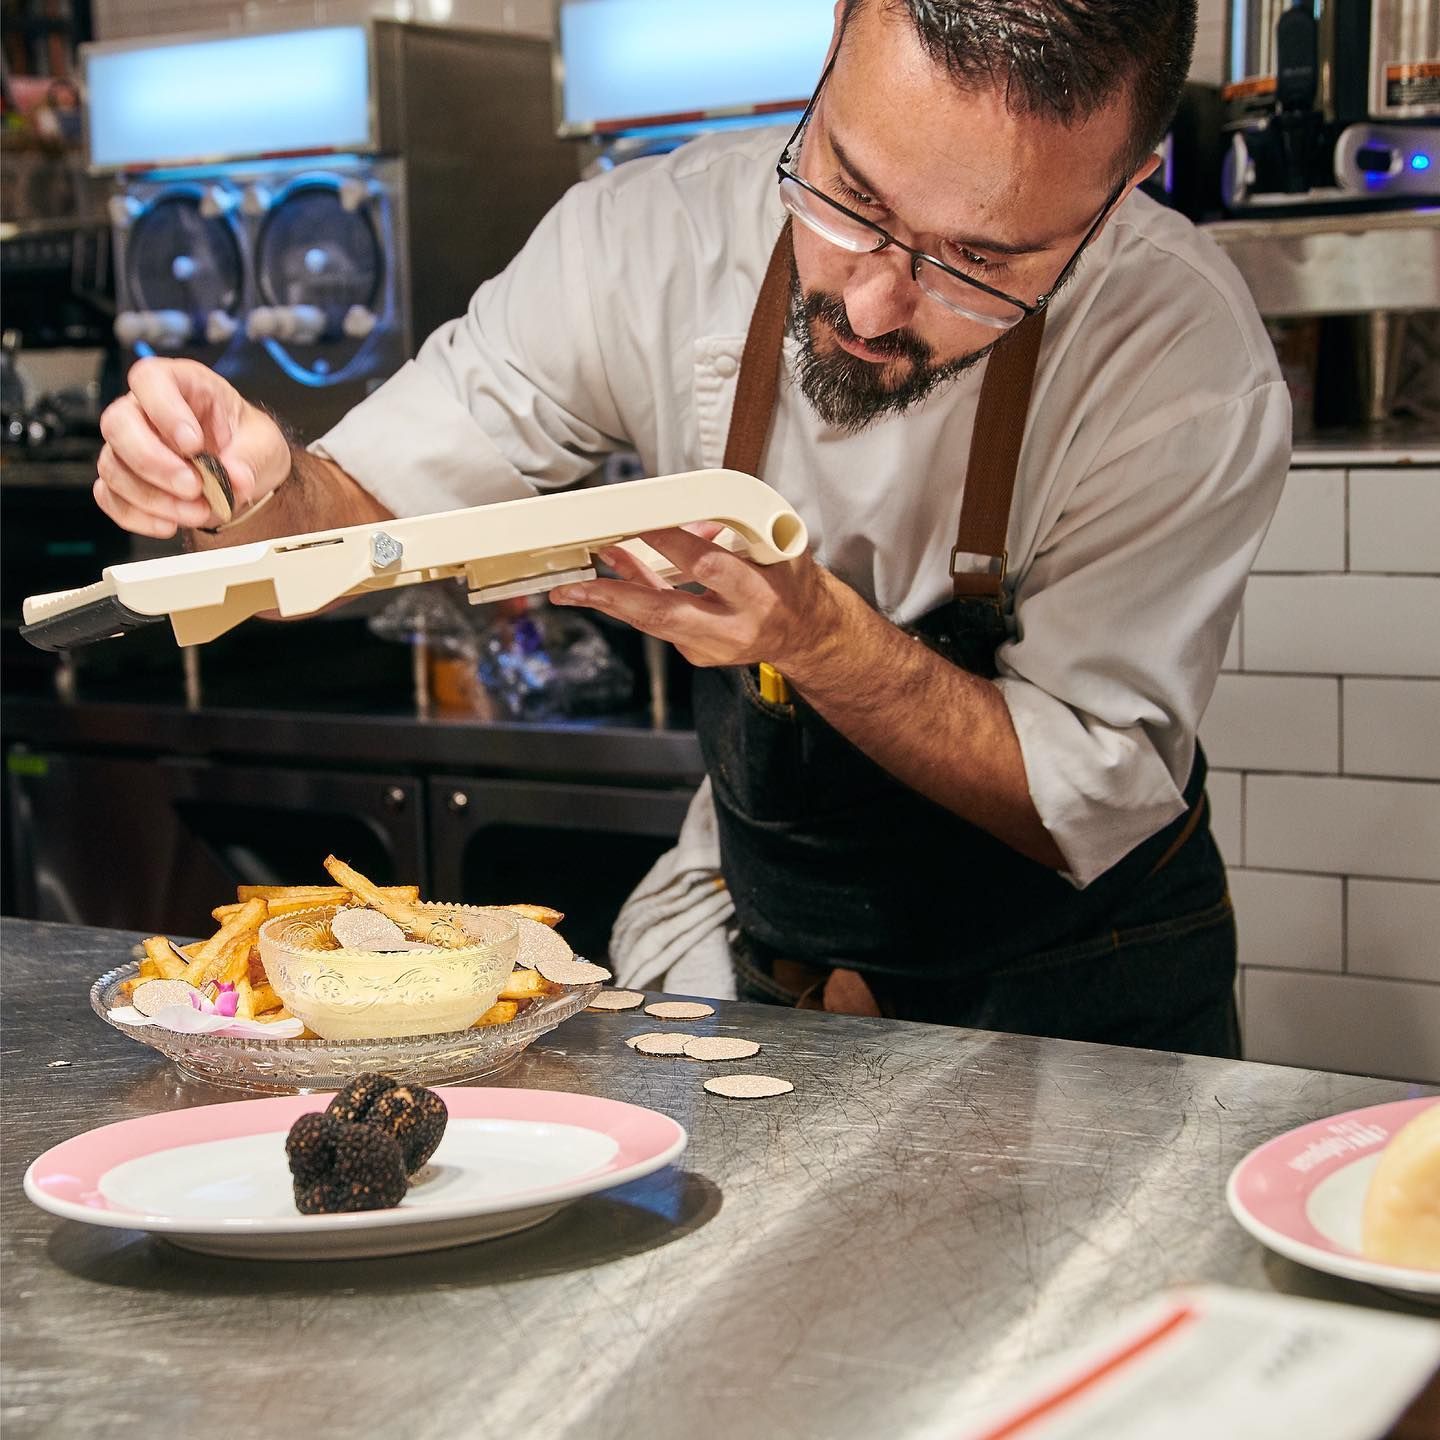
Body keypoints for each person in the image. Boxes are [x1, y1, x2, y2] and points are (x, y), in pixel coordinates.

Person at [90, 0, 1290, 1056]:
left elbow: (1086, 791)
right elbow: (361, 507)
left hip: (1088, 1020)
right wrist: (254, 491)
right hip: (778, 971)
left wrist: (822, 637)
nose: (874, 300)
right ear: (833, 31)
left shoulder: (1182, 361)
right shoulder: (652, 242)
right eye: (851, 194)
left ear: (1123, 185)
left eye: (978, 263)